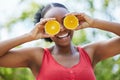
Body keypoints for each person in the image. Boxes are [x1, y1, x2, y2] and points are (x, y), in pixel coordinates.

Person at [0, 2, 120, 80]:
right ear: (45, 28)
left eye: (65, 21)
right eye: (54, 25)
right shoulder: (37, 56)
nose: (62, 28)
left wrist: (94, 23)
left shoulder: (90, 52)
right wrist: (29, 36)